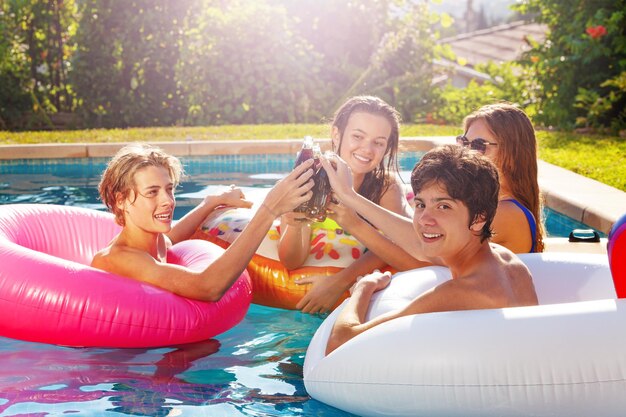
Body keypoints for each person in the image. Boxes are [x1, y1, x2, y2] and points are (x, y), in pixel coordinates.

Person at [322, 145, 538, 355]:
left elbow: (341, 342)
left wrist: (363, 289)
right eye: (420, 205)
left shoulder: (463, 292)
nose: (425, 219)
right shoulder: (505, 260)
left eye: (443, 207)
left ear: (479, 218)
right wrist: (350, 196)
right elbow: (418, 245)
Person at [91, 143, 315, 302]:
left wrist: (211, 203)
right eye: (152, 192)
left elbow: (171, 239)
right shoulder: (120, 259)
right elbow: (208, 288)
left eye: (169, 189)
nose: (167, 201)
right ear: (121, 200)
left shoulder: (153, 243)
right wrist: (269, 210)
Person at [277, 96, 423, 314]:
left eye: (379, 142)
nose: (367, 149)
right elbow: (291, 262)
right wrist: (294, 222)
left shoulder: (385, 187)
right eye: (358, 136)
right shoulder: (309, 180)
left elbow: (411, 247)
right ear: (336, 134)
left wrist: (340, 281)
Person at [458, 103, 544, 253]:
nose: (466, 153)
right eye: (464, 143)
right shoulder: (487, 203)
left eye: (479, 145)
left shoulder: (507, 213)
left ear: (512, 155)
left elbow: (431, 256)